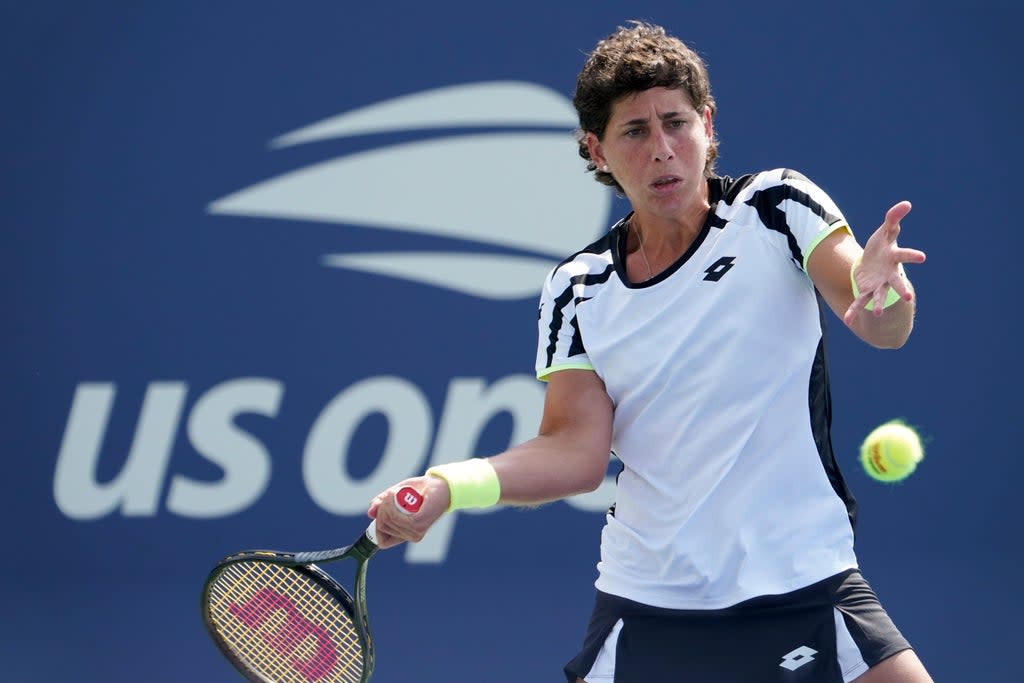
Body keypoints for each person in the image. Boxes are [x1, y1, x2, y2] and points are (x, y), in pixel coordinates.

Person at [368, 20, 932, 683]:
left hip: (807, 581)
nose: (662, 149)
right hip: (653, 607)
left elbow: (878, 323)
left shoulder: (776, 207)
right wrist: (446, 484)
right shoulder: (577, 288)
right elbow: (575, 452)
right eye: (635, 131)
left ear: (708, 125)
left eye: (676, 122)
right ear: (596, 149)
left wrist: (887, 296)